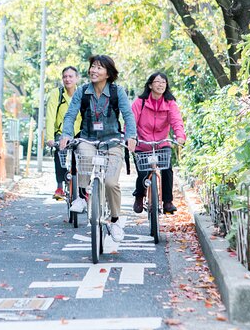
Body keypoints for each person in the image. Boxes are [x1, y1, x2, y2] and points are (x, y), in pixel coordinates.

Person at [59, 55, 137, 243]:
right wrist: (66, 134)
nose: (94, 70)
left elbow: (128, 115)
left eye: (99, 68)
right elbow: (70, 115)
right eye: (92, 67)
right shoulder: (82, 92)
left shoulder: (118, 92)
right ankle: (84, 196)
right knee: (84, 155)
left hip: (113, 141)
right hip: (88, 138)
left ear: (108, 74)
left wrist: (131, 136)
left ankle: (116, 221)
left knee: (111, 183)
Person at [132, 72, 186, 214]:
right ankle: (139, 196)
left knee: (167, 170)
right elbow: (131, 122)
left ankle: (167, 202)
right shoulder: (140, 102)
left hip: (162, 144)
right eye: (157, 82)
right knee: (143, 172)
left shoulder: (170, 103)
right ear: (150, 85)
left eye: (163, 82)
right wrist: (131, 137)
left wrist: (180, 136)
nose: (160, 84)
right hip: (143, 144)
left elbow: (176, 121)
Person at [45, 66, 82, 199]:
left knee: (85, 157)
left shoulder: (82, 93)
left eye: (70, 76)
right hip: (61, 132)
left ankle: (83, 189)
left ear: (77, 78)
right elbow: (50, 116)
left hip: (80, 133)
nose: (67, 79)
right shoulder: (57, 93)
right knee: (60, 152)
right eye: (65, 76)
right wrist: (49, 138)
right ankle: (60, 186)